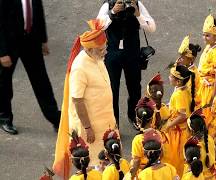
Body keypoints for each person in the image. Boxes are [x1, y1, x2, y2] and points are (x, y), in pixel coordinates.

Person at [54, 19, 117, 170]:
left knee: (108, 161)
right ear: (89, 50)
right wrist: (88, 128)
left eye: (105, 47)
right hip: (91, 127)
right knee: (93, 165)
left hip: (105, 120)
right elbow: (77, 100)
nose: (105, 52)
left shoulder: (97, 57)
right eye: (101, 49)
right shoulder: (79, 68)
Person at [0, 0, 61, 134]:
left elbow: (39, 15)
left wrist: (43, 40)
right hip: (9, 45)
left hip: (31, 42)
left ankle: (55, 118)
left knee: (42, 82)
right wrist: (2, 53)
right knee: (4, 84)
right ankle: (5, 118)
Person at [96, 0, 156, 128]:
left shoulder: (137, 4)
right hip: (112, 54)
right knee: (112, 90)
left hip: (132, 53)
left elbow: (151, 27)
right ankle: (113, 122)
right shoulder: (108, 5)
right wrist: (112, 13)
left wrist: (138, 15)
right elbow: (98, 26)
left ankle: (134, 116)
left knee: (134, 87)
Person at [165, 64, 195, 176]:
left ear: (178, 81)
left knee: (176, 159)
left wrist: (169, 125)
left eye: (171, 76)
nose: (169, 77)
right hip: (181, 130)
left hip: (179, 133)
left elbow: (183, 115)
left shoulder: (179, 94)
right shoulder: (183, 89)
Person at [198, 14, 216, 104]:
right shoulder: (209, 47)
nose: (204, 38)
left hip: (210, 89)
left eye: (207, 36)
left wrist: (213, 97)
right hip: (203, 87)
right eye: (203, 35)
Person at [187, 109, 216, 179]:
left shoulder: (190, 145)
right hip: (212, 176)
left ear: (191, 131)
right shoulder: (209, 138)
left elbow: (189, 166)